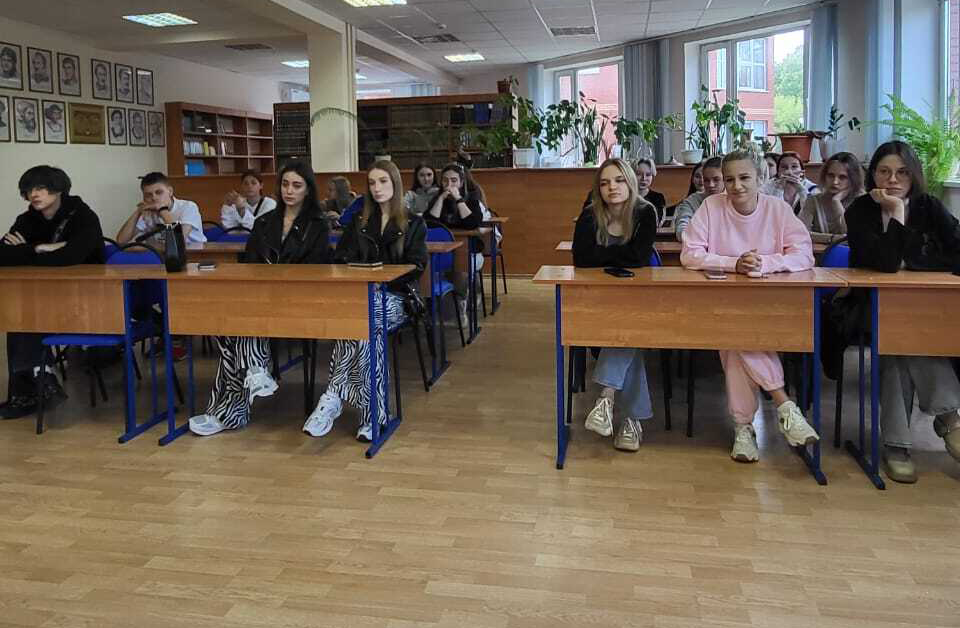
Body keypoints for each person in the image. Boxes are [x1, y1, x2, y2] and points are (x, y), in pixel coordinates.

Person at [680, 149, 820, 463]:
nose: (736, 186)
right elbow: (689, 254)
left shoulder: (777, 209)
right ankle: (784, 405)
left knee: (735, 342)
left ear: (760, 177)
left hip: (770, 305)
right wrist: (733, 263)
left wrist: (765, 263)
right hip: (722, 304)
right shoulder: (711, 207)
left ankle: (743, 428)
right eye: (729, 179)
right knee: (736, 333)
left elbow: (804, 254)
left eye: (744, 178)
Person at [187, 161, 331, 436]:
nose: (289, 191)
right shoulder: (264, 222)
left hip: (300, 300)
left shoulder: (318, 225)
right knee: (227, 324)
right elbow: (250, 264)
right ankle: (252, 374)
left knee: (238, 325)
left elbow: (317, 269)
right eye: (285, 184)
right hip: (263, 297)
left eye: (297, 185)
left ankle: (235, 402)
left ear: (308, 190)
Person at [845, 140, 960, 483]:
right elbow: (886, 263)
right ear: (873, 175)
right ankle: (950, 419)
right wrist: (895, 210)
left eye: (902, 172)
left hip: (926, 309)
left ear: (914, 175)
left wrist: (919, 263)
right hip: (870, 308)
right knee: (896, 339)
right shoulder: (860, 210)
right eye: (884, 171)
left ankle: (897, 446)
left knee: (904, 342)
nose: (893, 179)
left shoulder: (929, 206)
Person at [304, 160, 427, 442]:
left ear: (395, 184)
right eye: (372, 183)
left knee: (364, 319)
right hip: (360, 299)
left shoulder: (414, 223)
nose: (377, 188)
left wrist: (381, 279)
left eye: (383, 181)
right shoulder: (359, 222)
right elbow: (340, 259)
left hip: (397, 298)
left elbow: (417, 266)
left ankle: (333, 395)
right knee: (366, 327)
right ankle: (375, 414)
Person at [0, 166, 105, 420]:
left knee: (27, 316)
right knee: (20, 317)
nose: (34, 195)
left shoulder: (83, 215)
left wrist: (25, 251)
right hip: (45, 297)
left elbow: (71, 257)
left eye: (41, 188)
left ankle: (36, 387)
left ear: (58, 189)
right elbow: (2, 254)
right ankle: (38, 384)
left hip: (87, 298)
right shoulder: (27, 219)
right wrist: (40, 248)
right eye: (29, 190)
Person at [572, 158, 658, 452]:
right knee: (628, 336)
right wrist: (620, 256)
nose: (612, 187)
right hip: (598, 301)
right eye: (605, 182)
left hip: (639, 300)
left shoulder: (645, 212)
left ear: (630, 182)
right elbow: (581, 258)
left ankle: (606, 398)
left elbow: (639, 257)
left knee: (627, 327)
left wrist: (603, 256)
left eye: (619, 180)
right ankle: (632, 422)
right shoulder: (590, 214)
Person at [427, 162, 485, 321]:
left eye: (454, 180)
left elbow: (472, 223)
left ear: (461, 182)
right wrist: (440, 199)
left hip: (469, 250)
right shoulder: (437, 199)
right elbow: (430, 224)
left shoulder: (471, 199)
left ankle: (461, 307)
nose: (449, 184)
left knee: (461, 269)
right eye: (445, 180)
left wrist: (459, 199)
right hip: (443, 250)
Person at [116, 172, 206, 245]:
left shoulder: (188, 207)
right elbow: (121, 241)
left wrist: (162, 210)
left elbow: (178, 240)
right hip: (161, 256)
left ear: (170, 191)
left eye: (159, 192)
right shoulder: (148, 211)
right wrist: (138, 211)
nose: (154, 198)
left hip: (193, 256)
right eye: (148, 195)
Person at [798, 152, 864, 243]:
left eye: (842, 177)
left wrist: (836, 202)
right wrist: (833, 238)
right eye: (831, 175)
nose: (835, 182)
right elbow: (800, 233)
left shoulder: (861, 201)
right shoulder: (813, 200)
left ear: (853, 179)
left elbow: (852, 235)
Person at [674, 156, 725, 241]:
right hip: (700, 247)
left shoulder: (735, 200)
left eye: (716, 180)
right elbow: (682, 232)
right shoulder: (692, 201)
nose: (711, 185)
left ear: (725, 179)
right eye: (706, 180)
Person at [633, 158, 666, 224]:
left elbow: (657, 222)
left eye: (648, 175)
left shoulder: (658, 198)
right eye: (639, 174)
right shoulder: (626, 196)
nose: (644, 178)